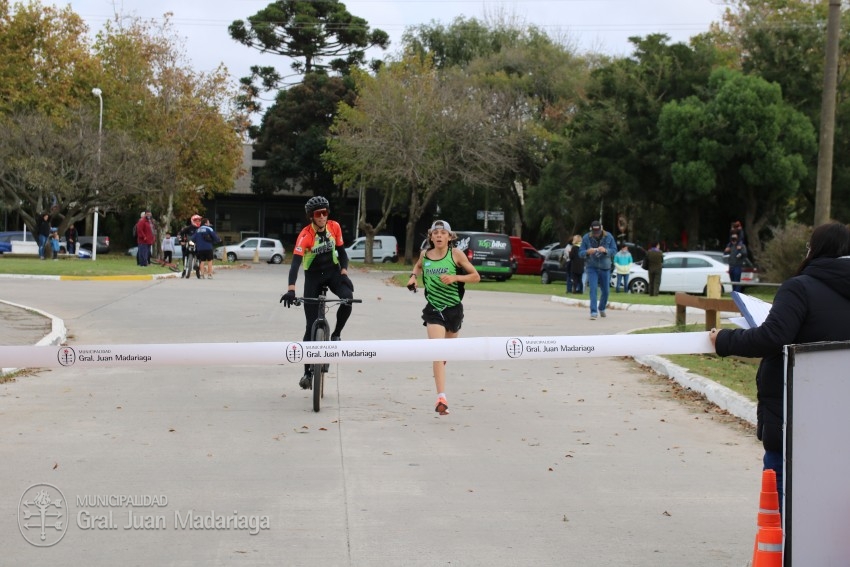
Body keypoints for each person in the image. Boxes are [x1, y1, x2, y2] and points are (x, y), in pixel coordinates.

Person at [709, 222, 850, 506]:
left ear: (814, 249)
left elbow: (772, 336)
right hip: (841, 417)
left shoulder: (799, 288)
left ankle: (783, 550)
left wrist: (724, 340)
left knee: (784, 499)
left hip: (796, 415)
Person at [280, 196, 354, 390]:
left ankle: (336, 334)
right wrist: (291, 290)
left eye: (325, 212)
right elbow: (295, 264)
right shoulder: (305, 236)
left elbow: (342, 252)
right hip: (313, 277)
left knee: (348, 299)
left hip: (333, 272)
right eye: (318, 214)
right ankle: (307, 372)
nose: (322, 217)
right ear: (311, 217)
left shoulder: (334, 227)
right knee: (310, 326)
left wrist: (344, 272)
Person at [408, 220, 480, 416]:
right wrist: (413, 276)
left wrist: (456, 277)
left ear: (450, 237)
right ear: (431, 237)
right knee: (437, 351)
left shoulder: (455, 254)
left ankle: (440, 365)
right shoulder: (425, 255)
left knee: (446, 353)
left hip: (453, 309)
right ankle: (441, 397)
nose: (439, 236)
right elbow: (418, 265)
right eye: (435, 233)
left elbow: (476, 276)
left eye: (443, 233)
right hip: (433, 309)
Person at [578, 220, 617, 319]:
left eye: (598, 232)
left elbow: (614, 250)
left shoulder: (609, 236)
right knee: (593, 289)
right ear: (591, 229)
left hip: (605, 267)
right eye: (594, 232)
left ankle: (602, 308)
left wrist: (605, 251)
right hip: (592, 267)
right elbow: (580, 252)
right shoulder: (586, 237)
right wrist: (587, 252)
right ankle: (593, 312)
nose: (596, 234)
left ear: (601, 228)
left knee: (606, 291)